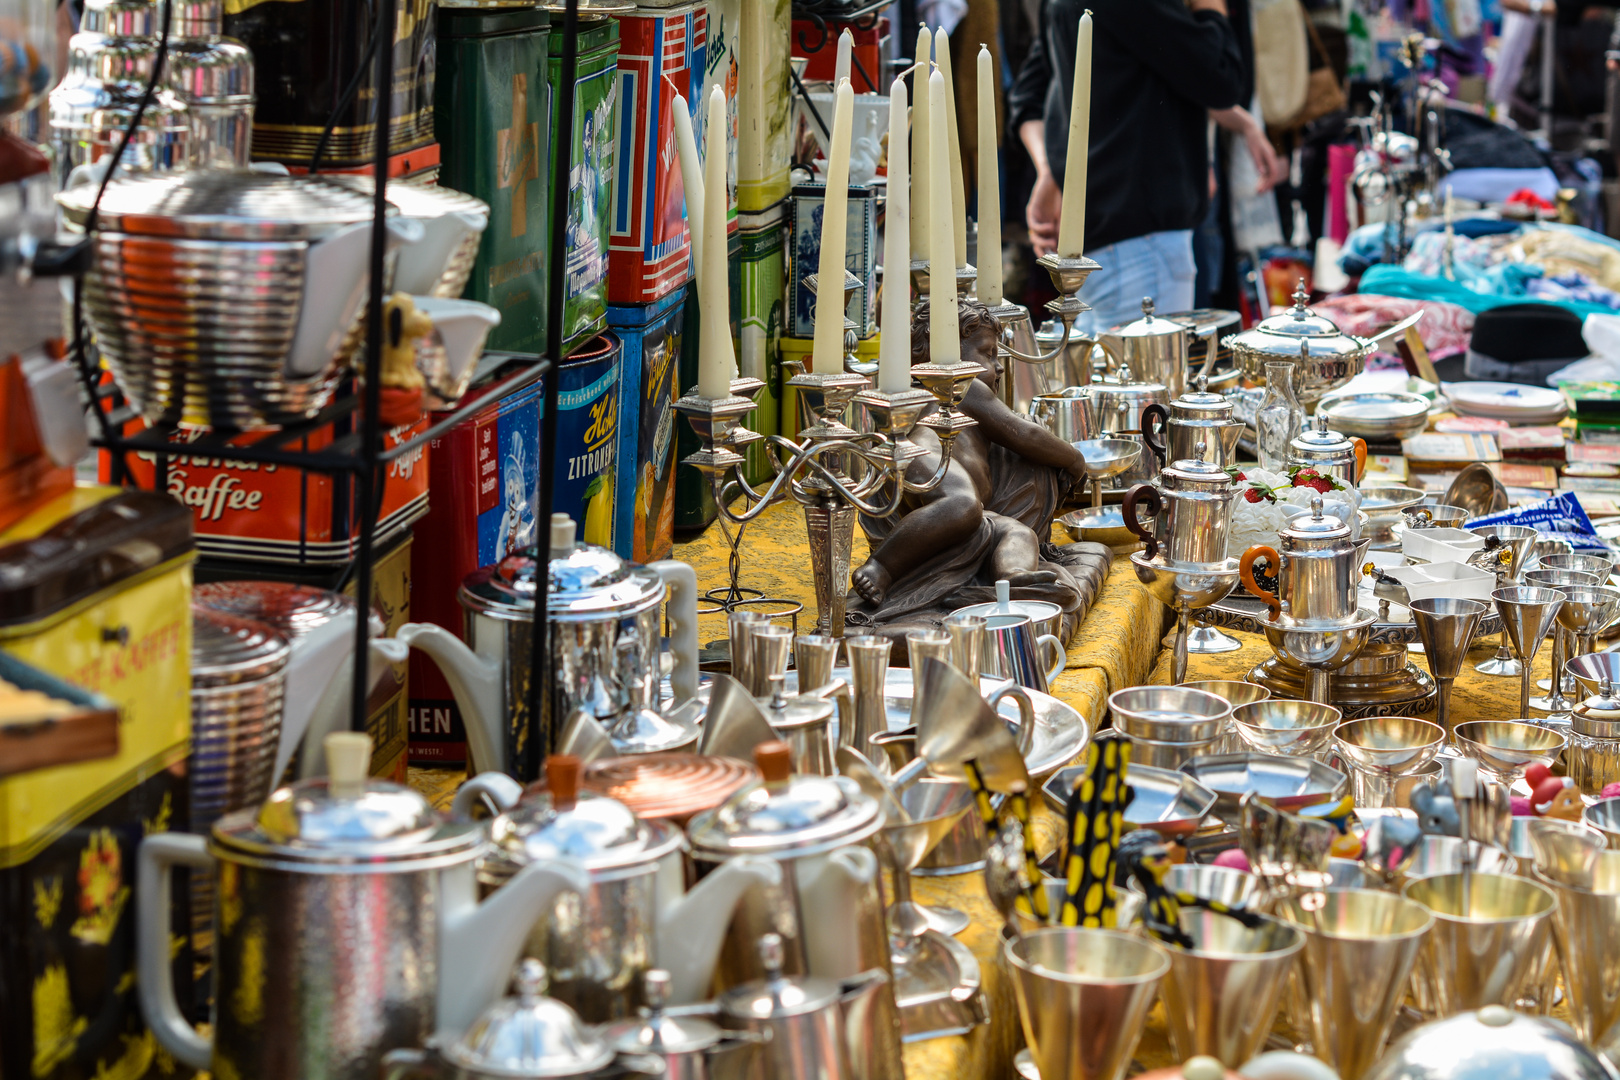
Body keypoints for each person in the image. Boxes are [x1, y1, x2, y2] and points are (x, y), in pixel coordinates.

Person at [847, 298, 1095, 644]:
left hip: (976, 516)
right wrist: (1074, 460)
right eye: (988, 353)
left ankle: (1014, 577)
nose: (999, 365)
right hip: (929, 458)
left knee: (1019, 533)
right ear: (945, 353)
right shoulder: (959, 386)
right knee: (962, 505)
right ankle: (882, 567)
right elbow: (1022, 433)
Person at [1009, 0, 1248, 330]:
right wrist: (1211, 7)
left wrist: (1052, 172)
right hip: (1140, 238)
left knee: (1105, 376)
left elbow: (1029, 95)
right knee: (1143, 377)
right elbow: (1222, 77)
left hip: (1098, 235)